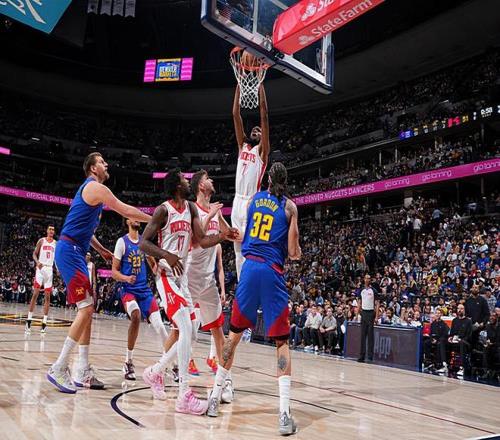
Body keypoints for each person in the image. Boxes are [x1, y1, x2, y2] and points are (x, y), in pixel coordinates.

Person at [207, 162, 301, 437]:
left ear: (268, 179)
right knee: (281, 343)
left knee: (233, 337)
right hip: (271, 272)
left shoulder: (254, 201)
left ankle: (214, 398)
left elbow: (244, 233)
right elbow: (293, 252)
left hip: (249, 269)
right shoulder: (290, 207)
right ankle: (283, 415)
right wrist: (294, 239)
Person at [47, 152, 151, 394]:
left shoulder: (91, 192)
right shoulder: (96, 188)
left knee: (88, 307)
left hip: (75, 250)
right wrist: (156, 220)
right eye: (102, 162)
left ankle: (82, 369)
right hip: (70, 251)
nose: (106, 164)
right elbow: (125, 210)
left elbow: (85, 231)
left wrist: (102, 249)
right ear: (93, 168)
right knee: (85, 308)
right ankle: (59, 366)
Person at [139, 170, 238, 415]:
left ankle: (155, 372)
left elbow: (201, 240)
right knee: (184, 328)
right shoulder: (163, 210)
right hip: (167, 275)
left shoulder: (190, 209)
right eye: (184, 180)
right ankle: (184, 394)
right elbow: (143, 243)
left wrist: (222, 236)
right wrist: (166, 255)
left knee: (191, 332)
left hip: (182, 278)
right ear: (176, 186)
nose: (187, 182)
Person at [112, 218, 167, 383]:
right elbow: (114, 272)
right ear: (127, 221)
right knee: (135, 315)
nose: (136, 219)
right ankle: (128, 362)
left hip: (144, 290)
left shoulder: (144, 242)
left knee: (160, 326)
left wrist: (160, 270)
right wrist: (126, 278)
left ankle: (172, 364)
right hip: (128, 289)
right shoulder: (122, 242)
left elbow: (152, 265)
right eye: (133, 217)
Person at [231, 84, 270, 280]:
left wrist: (260, 87)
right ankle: (242, 287)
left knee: (248, 246)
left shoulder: (262, 151)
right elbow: (235, 114)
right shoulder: (242, 146)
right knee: (237, 250)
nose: (256, 130)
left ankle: (253, 283)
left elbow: (264, 116)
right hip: (236, 200)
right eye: (253, 129)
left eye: (259, 130)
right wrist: (239, 86)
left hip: (250, 201)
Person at [25, 225, 57, 334]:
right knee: (35, 294)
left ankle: (44, 323)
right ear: (47, 230)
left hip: (49, 269)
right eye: (50, 229)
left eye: (53, 230)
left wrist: (58, 268)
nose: (51, 231)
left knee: (47, 297)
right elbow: (34, 254)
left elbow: (57, 258)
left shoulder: (56, 243)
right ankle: (29, 320)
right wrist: (37, 262)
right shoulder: (41, 240)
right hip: (40, 268)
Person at [358, 274, 379, 363]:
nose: (367, 280)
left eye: (369, 278)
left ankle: (370, 356)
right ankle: (361, 356)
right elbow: (359, 302)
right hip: (363, 313)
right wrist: (358, 313)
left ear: (370, 280)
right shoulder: (361, 290)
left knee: (370, 336)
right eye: (366, 278)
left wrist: (376, 316)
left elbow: (377, 304)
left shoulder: (374, 290)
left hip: (371, 313)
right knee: (363, 336)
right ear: (364, 279)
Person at [447, 303, 473, 376]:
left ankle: (462, 367)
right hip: (455, 342)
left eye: (461, 309)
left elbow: (469, 336)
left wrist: (460, 340)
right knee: (442, 341)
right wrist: (450, 338)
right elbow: (451, 333)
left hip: (465, 342)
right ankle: (444, 364)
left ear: (464, 310)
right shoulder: (454, 320)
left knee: (461, 343)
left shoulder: (468, 321)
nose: (459, 310)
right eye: (458, 308)